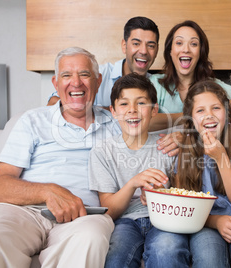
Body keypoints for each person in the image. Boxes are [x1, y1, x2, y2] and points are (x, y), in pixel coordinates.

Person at [0, 47, 121, 267]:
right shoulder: (32, 120)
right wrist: (48, 191)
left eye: (84, 74)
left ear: (98, 81)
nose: (76, 83)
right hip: (25, 212)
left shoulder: (117, 124)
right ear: (56, 83)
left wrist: (177, 135)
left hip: (83, 216)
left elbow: (146, 122)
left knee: (91, 237)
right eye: (67, 75)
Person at [88, 73, 190, 268]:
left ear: (153, 110)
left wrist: (160, 195)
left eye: (141, 103)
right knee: (116, 256)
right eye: (124, 104)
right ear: (113, 111)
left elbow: (184, 194)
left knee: (167, 249)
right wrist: (134, 182)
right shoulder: (102, 151)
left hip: (165, 220)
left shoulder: (168, 146)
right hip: (125, 222)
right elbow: (108, 210)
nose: (132, 110)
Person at [172, 80, 231, 267]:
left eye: (216, 108)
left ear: (227, 114)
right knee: (208, 259)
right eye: (200, 111)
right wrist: (216, 221)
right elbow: (185, 209)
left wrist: (221, 158)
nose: (209, 116)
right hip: (205, 223)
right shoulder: (185, 153)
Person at [47, 16, 159, 108]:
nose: (144, 51)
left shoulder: (158, 85)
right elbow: (53, 102)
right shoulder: (95, 74)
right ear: (124, 46)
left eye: (151, 46)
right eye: (136, 44)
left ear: (157, 50)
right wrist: (106, 113)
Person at [150, 20, 231, 117]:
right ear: (170, 51)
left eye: (193, 44)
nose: (186, 49)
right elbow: (143, 120)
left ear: (200, 53)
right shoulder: (154, 83)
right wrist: (188, 116)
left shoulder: (214, 85)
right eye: (179, 43)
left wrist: (228, 103)